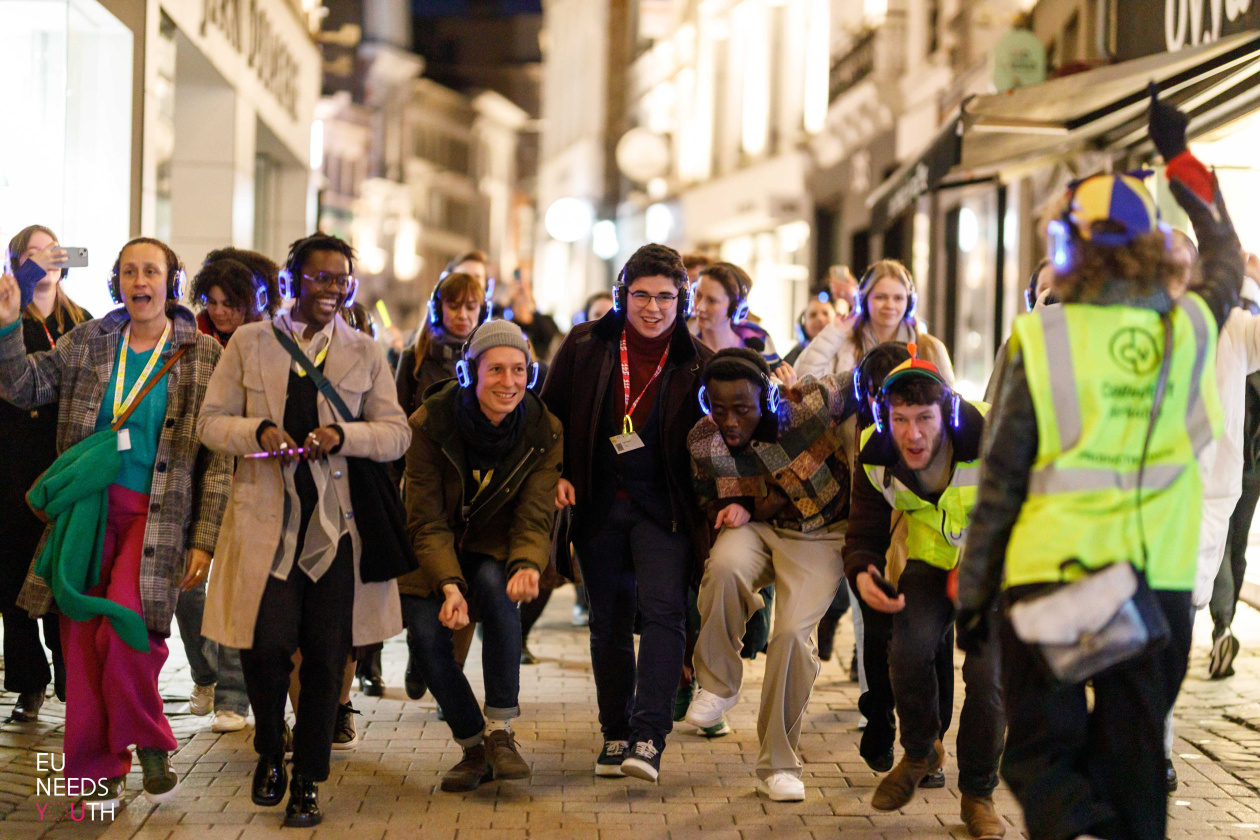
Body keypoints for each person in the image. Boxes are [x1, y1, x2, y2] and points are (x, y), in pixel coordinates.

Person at [955, 90, 1242, 840]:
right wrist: (1180, 158)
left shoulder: (1043, 339)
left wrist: (974, 593)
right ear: (1149, 246)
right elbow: (1220, 251)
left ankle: (1077, 829)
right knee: (1136, 758)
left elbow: (1002, 475)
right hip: (1159, 585)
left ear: (1066, 248)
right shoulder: (1192, 326)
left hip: (1057, 580)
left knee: (1039, 754)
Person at [0, 236, 232, 807]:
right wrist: (7, 326)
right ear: (117, 281)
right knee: (81, 639)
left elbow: (219, 461)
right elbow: (21, 385)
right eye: (129, 271)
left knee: (126, 624)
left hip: (156, 519)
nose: (139, 281)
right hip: (88, 508)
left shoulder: (202, 355)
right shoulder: (90, 342)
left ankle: (147, 737)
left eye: (150, 270)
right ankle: (93, 769)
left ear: (170, 281)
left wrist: (204, 539)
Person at [198, 233, 410, 828]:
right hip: (268, 523)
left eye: (341, 279)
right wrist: (258, 431)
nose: (332, 289)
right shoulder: (250, 341)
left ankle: (308, 783)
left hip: (338, 532)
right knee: (264, 647)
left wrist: (347, 436)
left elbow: (396, 433)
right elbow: (211, 423)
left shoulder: (365, 351)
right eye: (320, 278)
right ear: (292, 281)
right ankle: (270, 749)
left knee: (325, 657)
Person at [541, 243, 713, 782]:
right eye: (642, 295)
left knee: (665, 613)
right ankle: (615, 731)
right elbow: (550, 418)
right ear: (623, 295)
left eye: (666, 296)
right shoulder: (587, 344)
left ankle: (648, 735)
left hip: (664, 509)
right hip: (597, 502)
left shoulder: (696, 360)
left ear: (680, 299)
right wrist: (559, 475)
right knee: (609, 620)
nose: (653, 307)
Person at [843, 351, 1005, 839]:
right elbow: (865, 534)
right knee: (907, 651)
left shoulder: (995, 435)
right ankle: (920, 751)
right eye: (900, 420)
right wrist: (865, 574)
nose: (912, 434)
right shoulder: (875, 454)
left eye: (924, 419)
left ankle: (977, 794)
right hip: (930, 563)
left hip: (994, 569)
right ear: (884, 418)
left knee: (987, 678)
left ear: (947, 414)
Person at [685, 348, 857, 801]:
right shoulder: (704, 439)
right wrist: (729, 505)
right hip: (758, 530)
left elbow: (861, 381)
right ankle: (718, 686)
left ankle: (779, 764)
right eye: (718, 408)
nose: (730, 420)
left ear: (767, 397)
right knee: (722, 567)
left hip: (821, 535)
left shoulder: (804, 407)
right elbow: (708, 499)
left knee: (791, 638)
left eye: (742, 408)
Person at [399, 320, 561, 791]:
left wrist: (528, 564)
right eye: (496, 370)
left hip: (493, 543)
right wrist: (449, 585)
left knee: (497, 592)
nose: (509, 382)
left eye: (519, 371)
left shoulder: (543, 429)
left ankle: (500, 732)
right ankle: (474, 747)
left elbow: (534, 515)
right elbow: (425, 520)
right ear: (470, 373)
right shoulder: (429, 423)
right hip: (431, 549)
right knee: (428, 638)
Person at [183, 249, 281, 734]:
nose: (220, 311)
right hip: (194, 472)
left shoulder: (267, 342)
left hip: (248, 472)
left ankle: (232, 696)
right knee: (187, 591)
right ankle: (205, 675)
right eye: (213, 301)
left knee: (239, 589)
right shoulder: (189, 338)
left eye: (231, 303)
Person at [1, 225, 87, 722]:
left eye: (51, 251)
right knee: (12, 578)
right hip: (12, 462)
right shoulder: (7, 318)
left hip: (64, 462)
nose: (43, 261)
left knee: (63, 569)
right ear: (16, 264)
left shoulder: (84, 321)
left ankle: (71, 677)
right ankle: (28, 683)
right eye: (31, 254)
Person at [795, 260, 953, 383]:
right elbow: (804, 380)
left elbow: (949, 407)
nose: (890, 305)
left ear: (909, 303)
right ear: (863, 301)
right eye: (880, 297)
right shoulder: (844, 342)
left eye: (898, 298)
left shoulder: (931, 348)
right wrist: (834, 333)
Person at [691, 262, 781, 368]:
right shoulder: (682, 340)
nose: (699, 307)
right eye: (698, 295)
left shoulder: (759, 343)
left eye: (712, 301)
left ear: (735, 308)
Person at [783, 296, 836, 367]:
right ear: (804, 324)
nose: (819, 319)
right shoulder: (794, 356)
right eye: (813, 315)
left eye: (825, 313)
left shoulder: (845, 350)